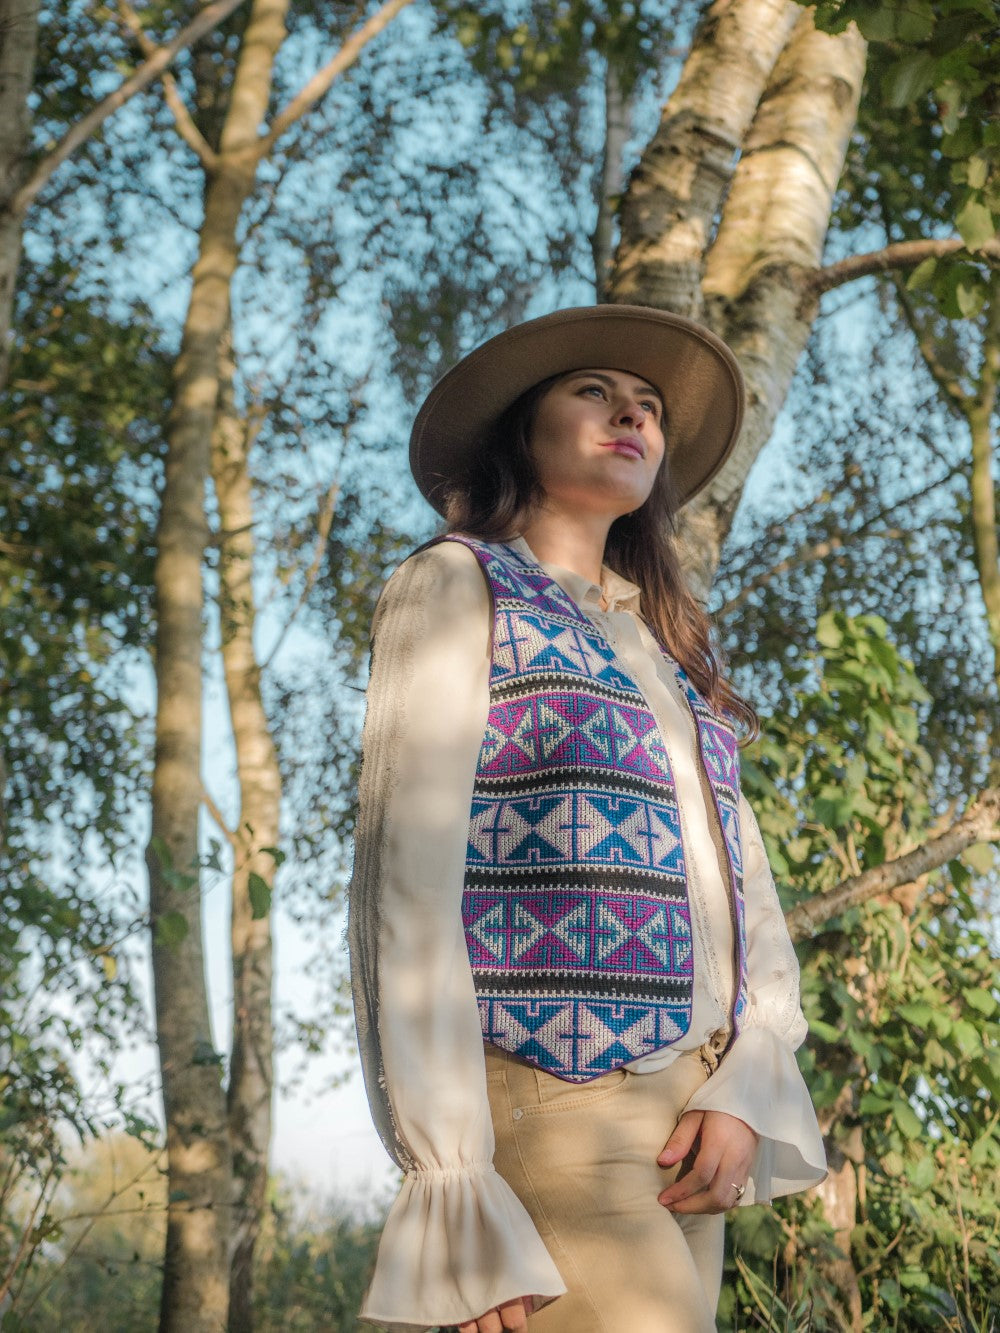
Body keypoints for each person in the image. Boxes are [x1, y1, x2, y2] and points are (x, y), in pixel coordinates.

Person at [348, 305, 827, 1333]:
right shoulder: (457, 584)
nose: (632, 416)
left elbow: (739, 882)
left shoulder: (661, 647)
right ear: (522, 428)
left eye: (648, 405)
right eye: (594, 392)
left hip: (691, 1125)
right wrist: (452, 1176)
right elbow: (406, 890)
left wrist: (747, 1073)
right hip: (550, 1107)